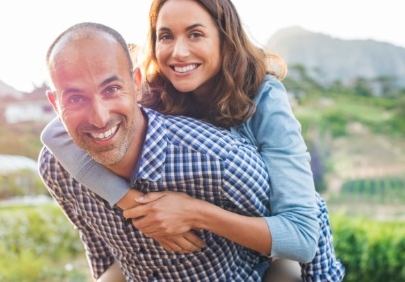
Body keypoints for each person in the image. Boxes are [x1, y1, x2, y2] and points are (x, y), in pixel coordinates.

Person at [42, 0, 345, 281]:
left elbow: (302, 237)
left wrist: (193, 212)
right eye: (166, 36)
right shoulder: (150, 90)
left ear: (224, 39)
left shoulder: (264, 98)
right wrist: (128, 201)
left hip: (275, 246)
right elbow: (55, 134)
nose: (178, 52)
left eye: (195, 34)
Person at [40, 21, 282, 281]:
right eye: (76, 98)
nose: (99, 118)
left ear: (136, 83)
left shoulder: (220, 161)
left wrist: (199, 213)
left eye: (111, 89)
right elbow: (100, 251)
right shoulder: (56, 168)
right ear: (55, 104)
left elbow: (300, 230)